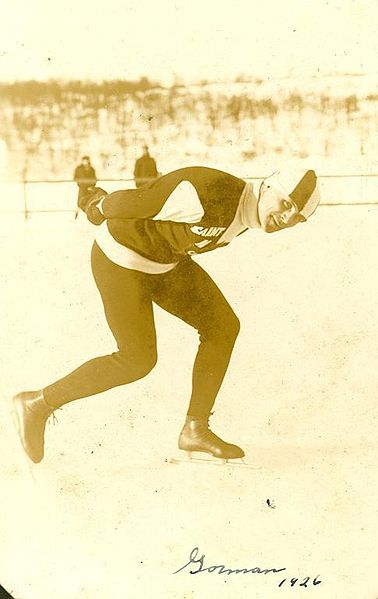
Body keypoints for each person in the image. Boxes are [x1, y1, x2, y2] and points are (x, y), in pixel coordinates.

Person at [13, 165, 320, 464]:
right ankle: (36, 404)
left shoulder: (247, 217)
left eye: (297, 219)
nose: (286, 218)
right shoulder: (208, 189)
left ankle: (195, 428)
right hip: (120, 259)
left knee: (223, 326)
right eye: (287, 204)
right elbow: (137, 202)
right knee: (137, 359)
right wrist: (98, 205)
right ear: (267, 185)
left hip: (163, 265)